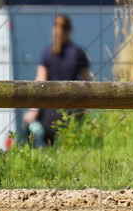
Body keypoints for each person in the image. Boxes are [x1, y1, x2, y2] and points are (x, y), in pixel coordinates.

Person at [23, 14, 91, 146]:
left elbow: (40, 83)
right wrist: (86, 109)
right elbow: (87, 84)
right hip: (72, 111)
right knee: (72, 148)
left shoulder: (47, 53)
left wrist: (32, 111)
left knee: (48, 146)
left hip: (49, 113)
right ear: (70, 31)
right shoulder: (78, 53)